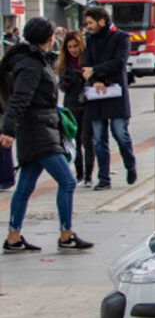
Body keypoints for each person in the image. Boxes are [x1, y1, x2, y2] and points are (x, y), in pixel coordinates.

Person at [0, 16, 92, 252]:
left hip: (38, 127)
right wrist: (8, 130)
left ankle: (14, 237)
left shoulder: (31, 60)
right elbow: (19, 98)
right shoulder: (31, 65)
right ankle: (66, 234)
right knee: (67, 181)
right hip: (39, 130)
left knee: (26, 184)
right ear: (50, 38)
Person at [82, 6, 136, 191]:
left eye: (90, 22)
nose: (87, 26)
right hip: (97, 95)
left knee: (120, 133)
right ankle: (104, 178)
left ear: (101, 21)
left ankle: (130, 164)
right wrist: (94, 79)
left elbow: (119, 62)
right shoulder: (89, 39)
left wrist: (96, 72)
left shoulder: (121, 37)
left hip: (115, 93)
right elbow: (86, 63)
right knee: (99, 139)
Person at [55, 31, 95, 185]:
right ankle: (79, 174)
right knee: (74, 140)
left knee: (88, 140)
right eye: (70, 47)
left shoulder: (87, 60)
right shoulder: (64, 64)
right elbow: (62, 86)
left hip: (87, 103)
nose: (73, 49)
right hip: (71, 105)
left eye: (75, 46)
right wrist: (69, 81)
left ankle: (89, 176)